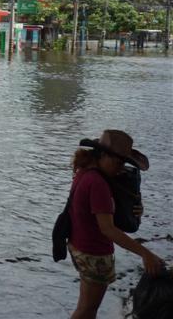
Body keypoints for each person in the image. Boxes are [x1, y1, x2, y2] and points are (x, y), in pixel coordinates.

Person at [68, 130, 166, 319]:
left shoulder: (86, 172)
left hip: (79, 245)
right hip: (93, 253)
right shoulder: (98, 183)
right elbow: (108, 228)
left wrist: (135, 210)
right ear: (103, 155)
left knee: (86, 308)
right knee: (87, 309)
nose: (120, 168)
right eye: (118, 162)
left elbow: (100, 211)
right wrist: (146, 254)